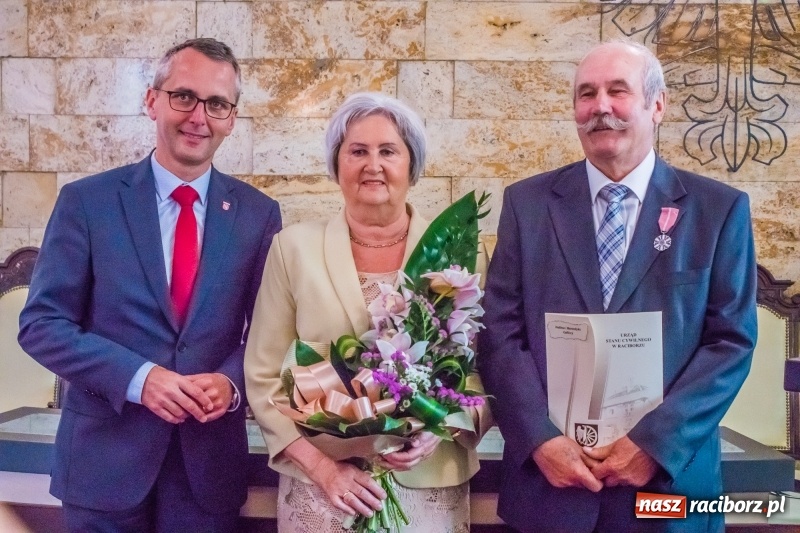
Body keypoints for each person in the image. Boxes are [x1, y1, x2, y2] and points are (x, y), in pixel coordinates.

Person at [477, 40, 757, 533]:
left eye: (617, 91)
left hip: (667, 493)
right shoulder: (527, 204)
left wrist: (654, 444)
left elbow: (729, 342)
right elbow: (500, 331)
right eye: (587, 94)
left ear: (657, 104)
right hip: (553, 488)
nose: (600, 106)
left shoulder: (718, 211)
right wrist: (540, 439)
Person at [18, 38, 281, 532]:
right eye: (184, 96)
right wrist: (139, 378)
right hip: (102, 466)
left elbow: (270, 332)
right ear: (151, 101)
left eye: (217, 103)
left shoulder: (258, 215)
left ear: (231, 117)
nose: (198, 116)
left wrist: (230, 382)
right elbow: (42, 325)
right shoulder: (86, 203)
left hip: (207, 470)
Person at [244, 92, 492, 532]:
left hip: (428, 484)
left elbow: (490, 371)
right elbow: (263, 375)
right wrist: (323, 469)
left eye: (388, 151)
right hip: (323, 489)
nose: (372, 164)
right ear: (336, 163)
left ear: (411, 165)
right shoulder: (292, 249)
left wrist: (438, 430)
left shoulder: (457, 253)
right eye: (357, 151)